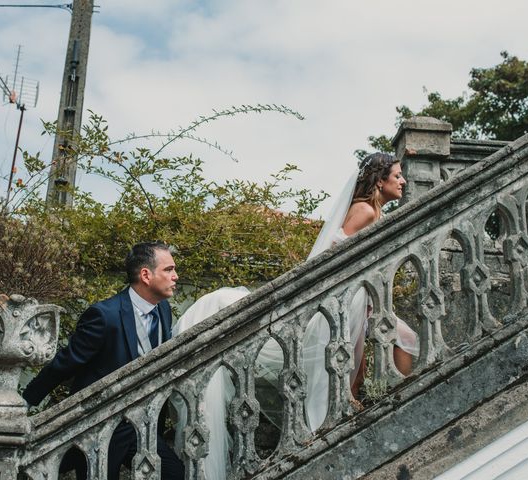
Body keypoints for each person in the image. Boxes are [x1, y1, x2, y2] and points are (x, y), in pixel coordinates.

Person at [172, 153, 419, 479]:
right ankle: (350, 419)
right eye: (397, 175)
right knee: (338, 368)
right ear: (380, 180)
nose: (402, 181)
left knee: (386, 350)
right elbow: (332, 257)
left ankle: (392, 398)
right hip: (347, 298)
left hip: (363, 298)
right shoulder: (365, 210)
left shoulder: (376, 211)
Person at [22, 241, 185, 480]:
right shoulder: (104, 315)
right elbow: (66, 362)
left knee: (176, 475)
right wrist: (26, 401)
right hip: (100, 429)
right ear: (146, 275)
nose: (175, 276)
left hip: (143, 426)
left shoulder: (163, 310)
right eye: (169, 270)